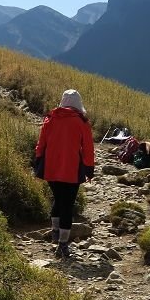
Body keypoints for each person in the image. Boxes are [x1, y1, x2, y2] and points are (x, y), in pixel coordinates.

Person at [34, 89, 95, 257]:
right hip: (72, 169)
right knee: (67, 204)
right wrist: (89, 168)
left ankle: (55, 233)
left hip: (51, 168)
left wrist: (38, 161)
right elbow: (88, 148)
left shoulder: (50, 118)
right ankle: (63, 244)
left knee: (58, 199)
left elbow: (41, 144)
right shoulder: (81, 122)